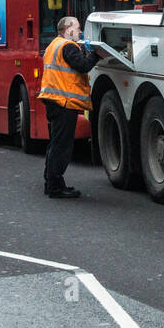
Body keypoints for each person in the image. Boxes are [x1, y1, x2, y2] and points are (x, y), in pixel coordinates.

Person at [39, 16, 100, 198]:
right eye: (78, 28)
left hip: (53, 101)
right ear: (68, 29)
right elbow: (82, 66)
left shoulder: (53, 45)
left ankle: (51, 183)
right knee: (62, 147)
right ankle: (55, 188)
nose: (80, 31)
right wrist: (97, 54)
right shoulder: (68, 46)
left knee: (54, 144)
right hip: (64, 102)